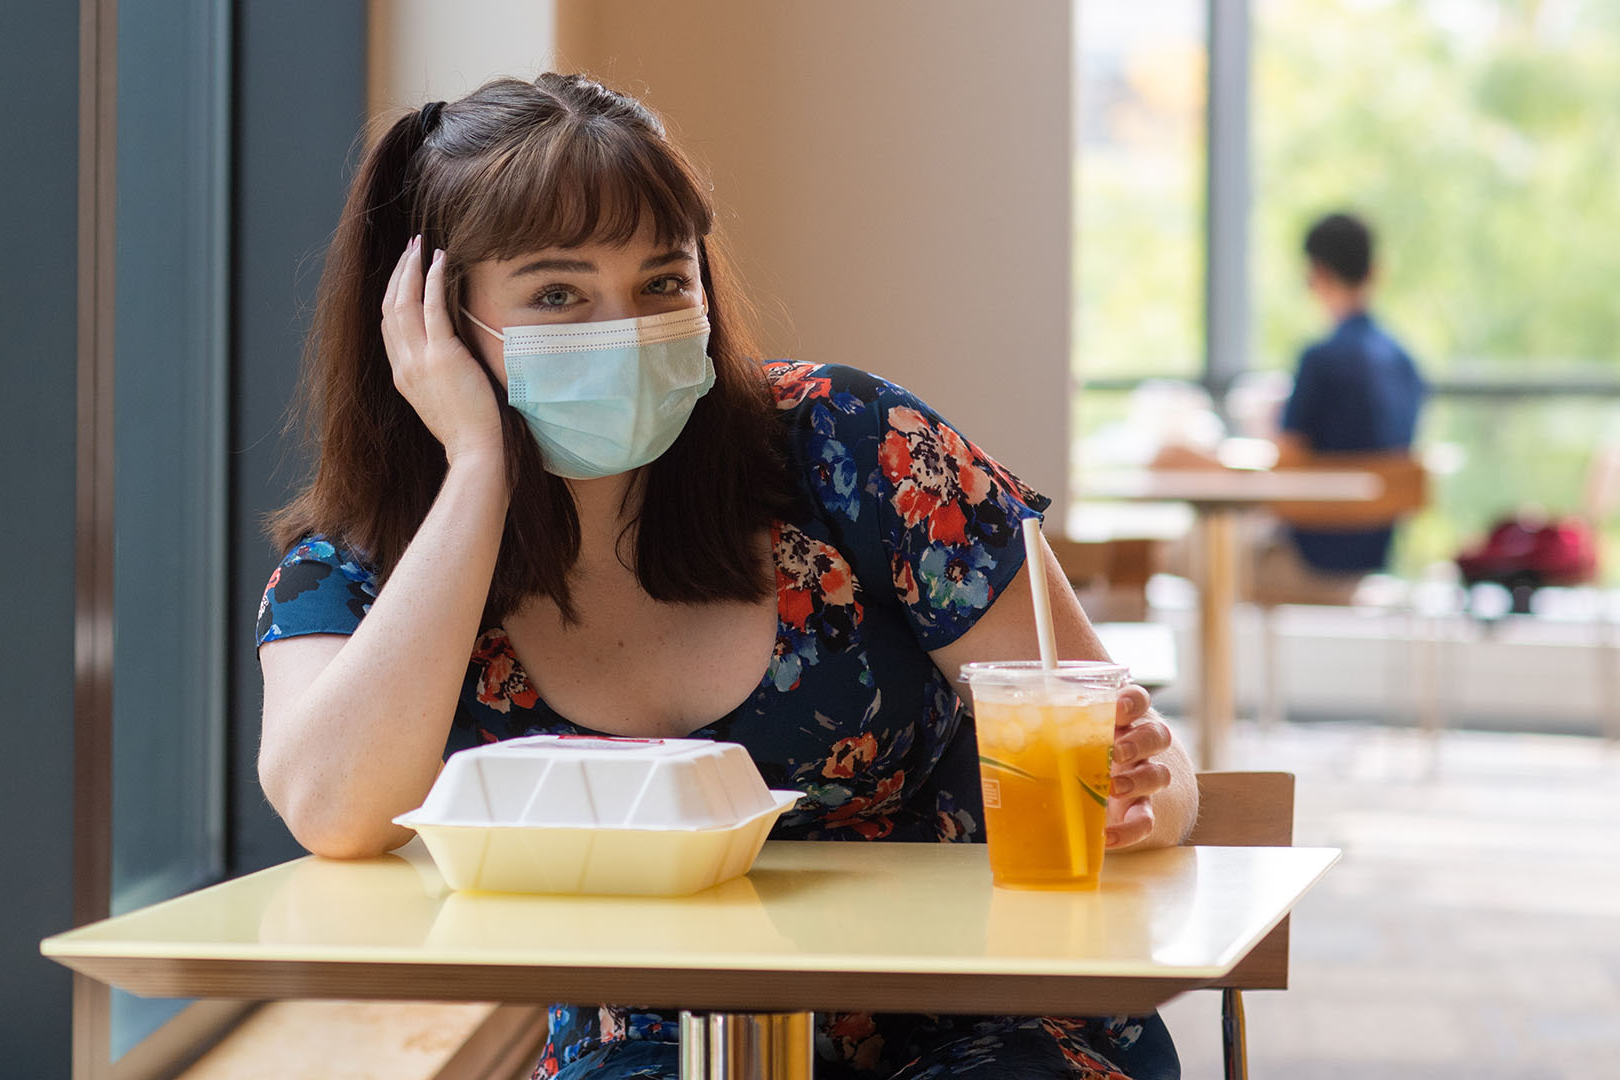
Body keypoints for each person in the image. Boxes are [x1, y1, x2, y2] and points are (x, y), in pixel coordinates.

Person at [253, 73, 1197, 1080]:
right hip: (656, 1047)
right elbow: (334, 812)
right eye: (559, 294)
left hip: (995, 1012)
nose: (625, 328)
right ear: (432, 322)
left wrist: (1142, 797)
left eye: (663, 282)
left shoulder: (858, 448)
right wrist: (478, 468)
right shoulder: (364, 569)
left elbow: (1152, 773)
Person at [1258, 211, 1426, 601]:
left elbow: (1284, 468)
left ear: (1315, 273)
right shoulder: (1405, 363)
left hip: (1311, 559)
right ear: (1375, 271)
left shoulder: (1320, 360)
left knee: (1175, 554)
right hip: (1374, 556)